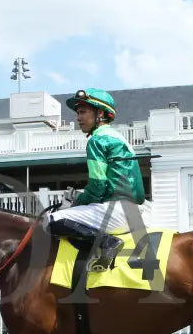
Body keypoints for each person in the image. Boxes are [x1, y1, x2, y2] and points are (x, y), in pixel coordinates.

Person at [47, 88, 146, 271]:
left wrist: (78, 200)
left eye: (83, 111)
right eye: (78, 112)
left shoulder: (97, 140)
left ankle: (107, 242)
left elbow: (98, 187)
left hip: (114, 212)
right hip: (134, 213)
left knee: (50, 220)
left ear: (100, 113)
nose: (78, 117)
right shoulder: (120, 139)